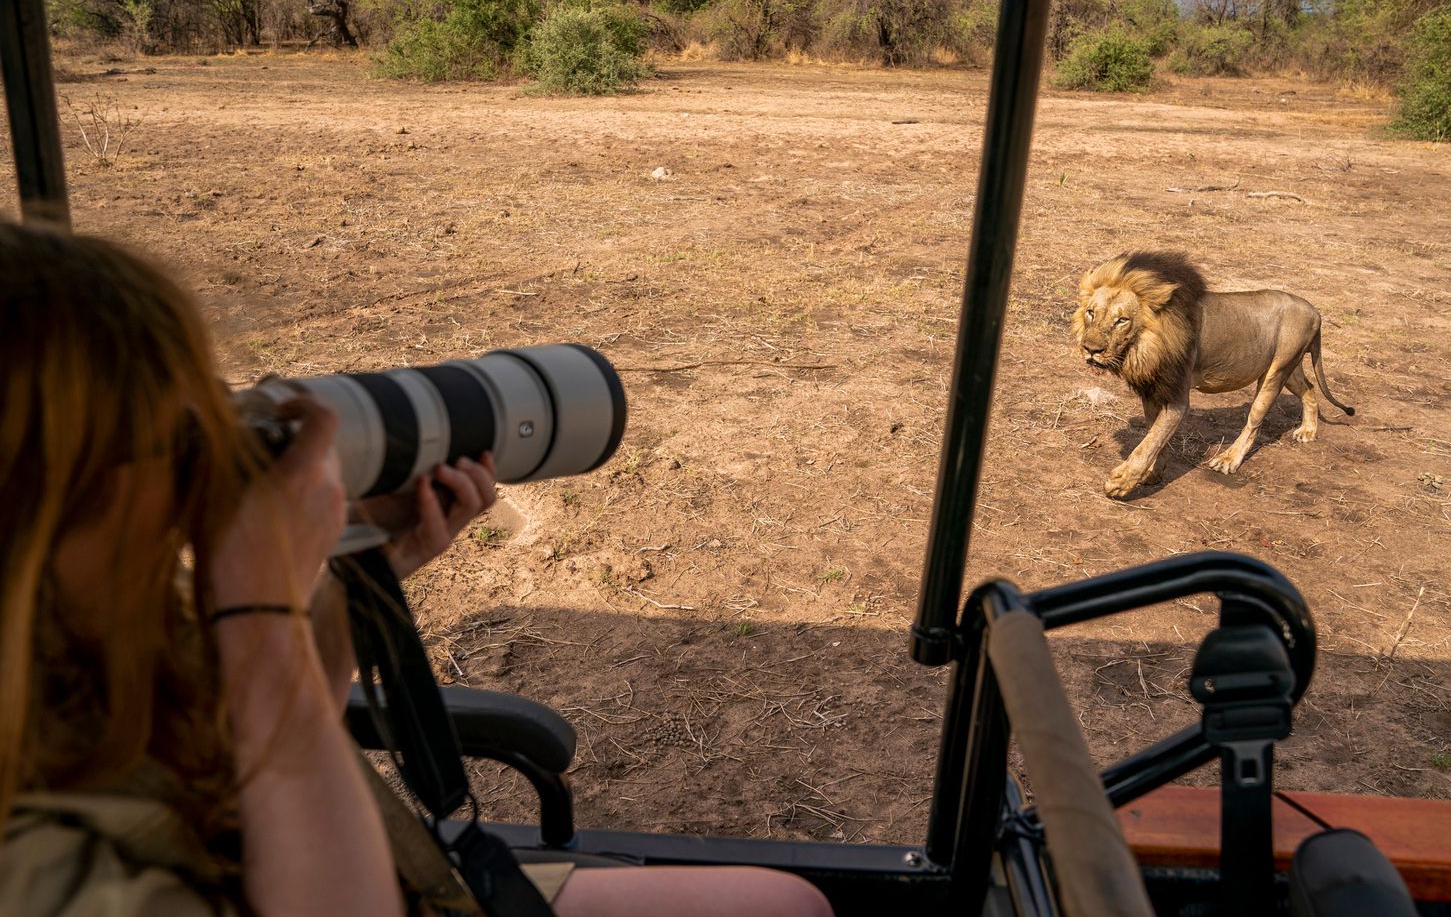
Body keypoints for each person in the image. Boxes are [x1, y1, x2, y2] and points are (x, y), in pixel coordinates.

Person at [0, 221, 832, 917]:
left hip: (352, 869)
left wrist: (369, 565)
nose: (208, 456)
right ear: (49, 487)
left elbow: (289, 722)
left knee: (786, 904)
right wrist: (259, 612)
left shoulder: (107, 605)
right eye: (175, 437)